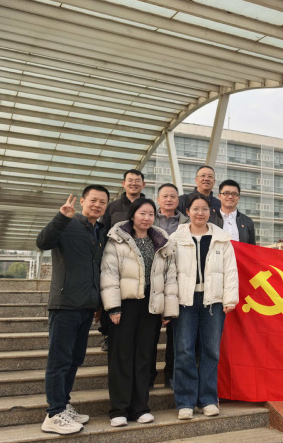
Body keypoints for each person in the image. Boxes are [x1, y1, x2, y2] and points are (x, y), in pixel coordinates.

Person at [36, 186, 110, 435]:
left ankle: (64, 404)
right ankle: (54, 413)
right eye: (93, 200)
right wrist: (61, 217)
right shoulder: (67, 222)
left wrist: (97, 303)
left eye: (102, 202)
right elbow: (42, 242)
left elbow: (96, 269)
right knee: (60, 360)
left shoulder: (99, 231)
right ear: (82, 201)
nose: (97, 205)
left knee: (74, 359)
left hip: (86, 306)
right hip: (65, 304)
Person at [100, 198, 177, 427]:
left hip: (151, 305)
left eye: (151, 214)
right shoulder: (117, 239)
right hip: (124, 305)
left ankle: (140, 408)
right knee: (121, 356)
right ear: (133, 215)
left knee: (144, 357)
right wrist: (113, 307)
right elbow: (109, 273)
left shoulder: (161, 240)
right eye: (142, 213)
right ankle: (119, 410)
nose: (146, 218)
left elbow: (170, 277)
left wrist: (168, 309)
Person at [170, 195, 239, 419]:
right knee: (184, 351)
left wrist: (230, 299)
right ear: (187, 211)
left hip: (213, 301)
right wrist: (169, 302)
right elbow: (169, 272)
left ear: (211, 212)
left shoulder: (221, 238)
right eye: (195, 209)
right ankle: (185, 402)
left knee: (211, 351)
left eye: (205, 209)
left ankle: (208, 399)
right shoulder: (176, 238)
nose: (200, 213)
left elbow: (231, 270)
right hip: (185, 301)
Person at [100, 169, 146, 351]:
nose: (133, 183)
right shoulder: (113, 207)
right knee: (111, 294)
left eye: (137, 180)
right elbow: (103, 231)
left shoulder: (147, 206)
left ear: (143, 184)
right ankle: (107, 334)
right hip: (116, 258)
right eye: (130, 180)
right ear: (123, 184)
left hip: (140, 260)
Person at [151, 183, 189, 390]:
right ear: (158, 199)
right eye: (164, 196)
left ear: (178, 200)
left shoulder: (187, 222)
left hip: (178, 282)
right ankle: (148, 375)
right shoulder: (148, 219)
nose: (168, 199)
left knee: (176, 335)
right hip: (152, 282)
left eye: (173, 196)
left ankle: (171, 375)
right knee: (149, 334)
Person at [209, 179, 256, 244]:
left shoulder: (247, 221)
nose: (230, 197)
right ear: (219, 196)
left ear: (238, 197)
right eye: (226, 193)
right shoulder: (210, 220)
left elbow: (252, 247)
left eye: (234, 194)